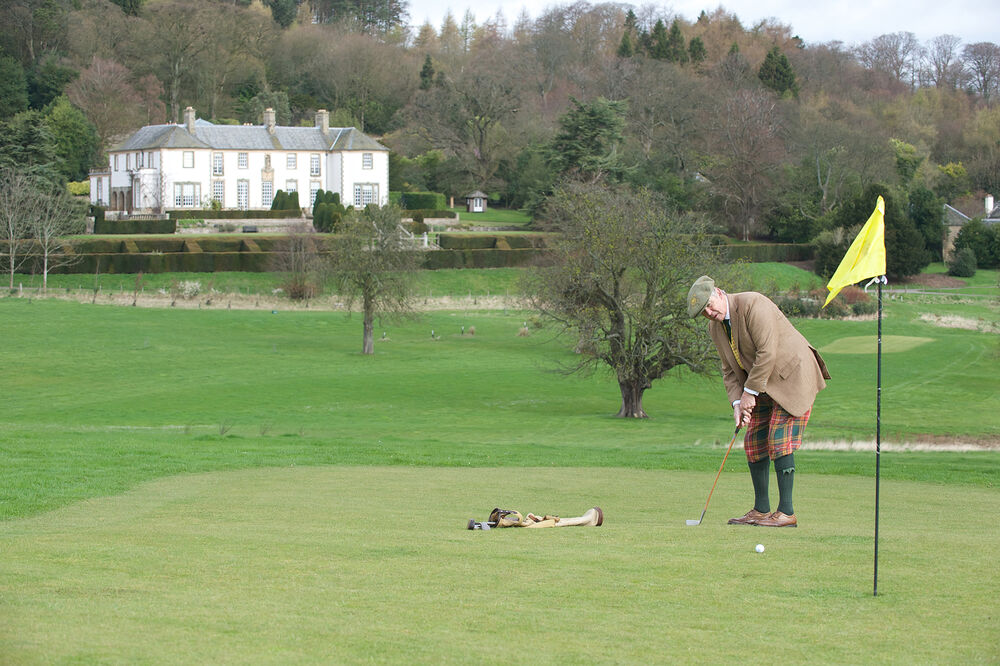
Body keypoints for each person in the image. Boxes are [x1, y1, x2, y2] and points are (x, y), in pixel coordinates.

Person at [686, 275, 830, 527]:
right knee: (754, 440)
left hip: (792, 375)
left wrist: (749, 393)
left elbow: (767, 352)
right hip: (762, 384)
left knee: (778, 439)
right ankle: (761, 510)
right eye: (703, 312)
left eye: (709, 305)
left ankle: (786, 512)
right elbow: (728, 370)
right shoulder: (715, 327)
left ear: (719, 293)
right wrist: (736, 404)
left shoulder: (753, 304)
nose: (709, 313)